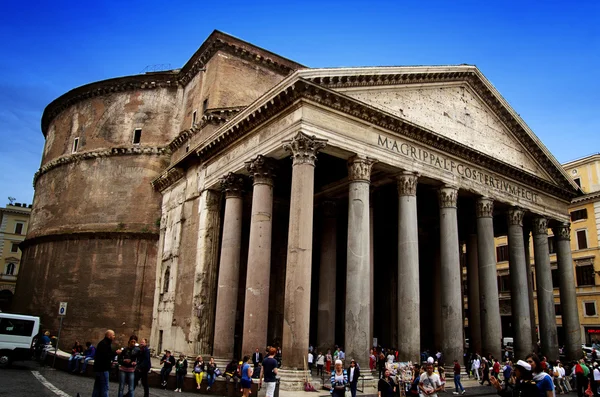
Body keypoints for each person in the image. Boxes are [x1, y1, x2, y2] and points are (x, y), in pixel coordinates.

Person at [92, 329, 119, 397]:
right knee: (105, 387)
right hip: (103, 369)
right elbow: (106, 356)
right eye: (113, 335)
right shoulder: (105, 344)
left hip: (99, 368)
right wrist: (116, 353)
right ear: (109, 336)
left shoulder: (103, 343)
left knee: (97, 387)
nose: (114, 336)